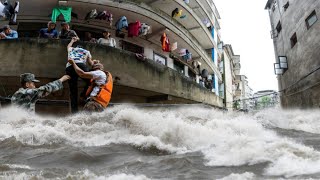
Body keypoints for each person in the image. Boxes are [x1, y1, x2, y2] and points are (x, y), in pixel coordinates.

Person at [66, 37, 96, 113]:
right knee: (91, 82)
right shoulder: (86, 51)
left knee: (73, 90)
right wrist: (94, 61)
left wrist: (72, 41)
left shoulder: (71, 49)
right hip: (81, 65)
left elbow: (68, 46)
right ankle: (83, 95)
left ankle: (74, 112)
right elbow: (91, 64)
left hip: (70, 66)